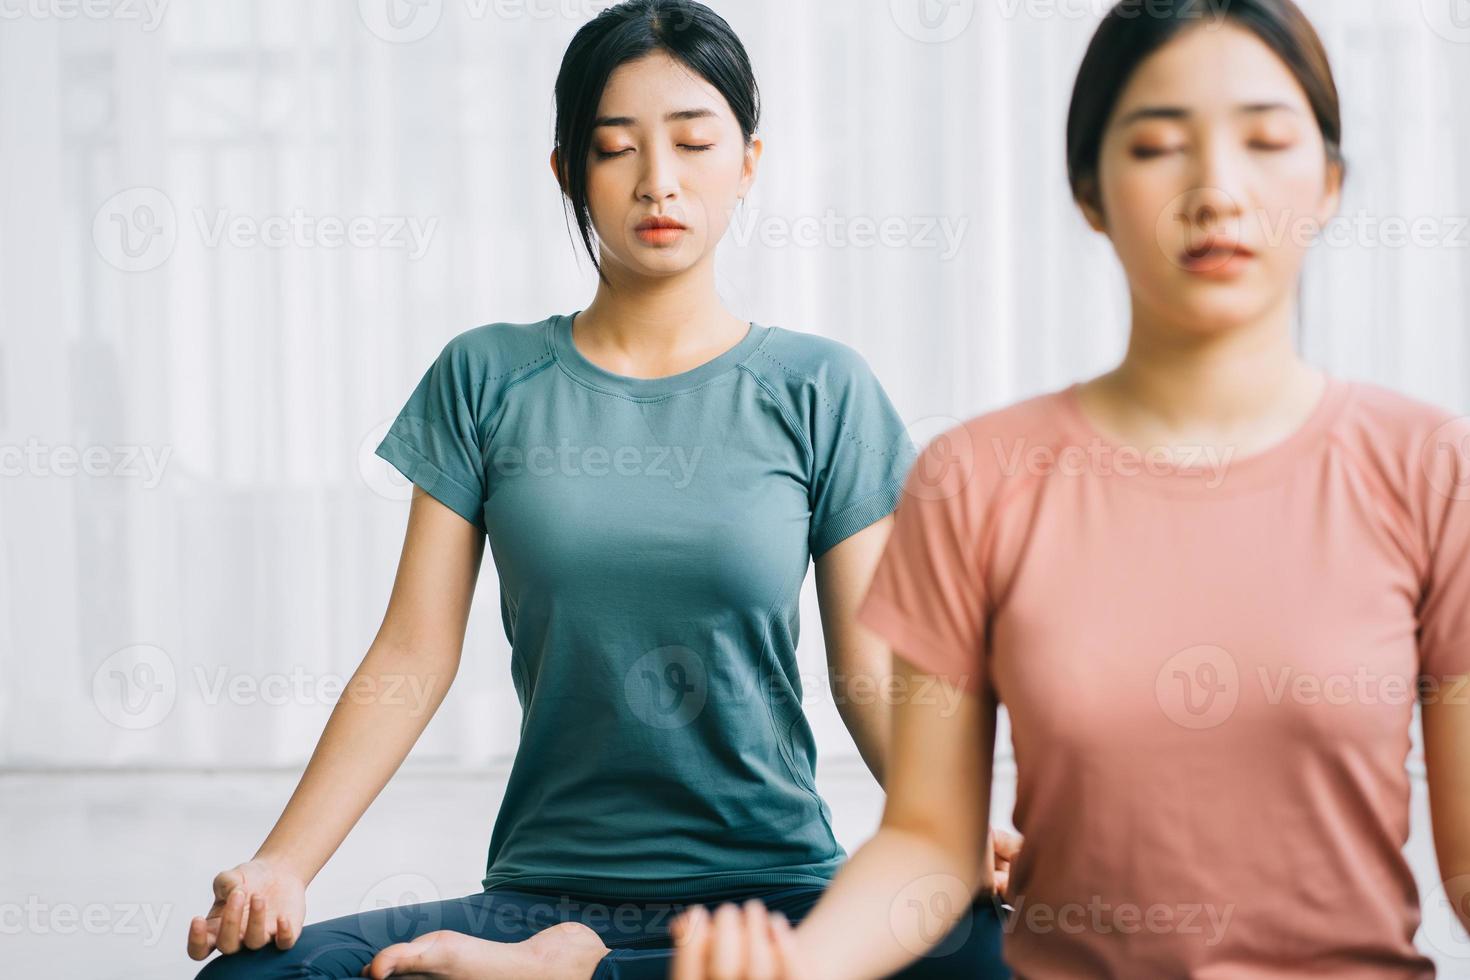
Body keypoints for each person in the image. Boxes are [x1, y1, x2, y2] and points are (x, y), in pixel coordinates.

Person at [185, 2, 1015, 977]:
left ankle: (583, 971)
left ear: (749, 161)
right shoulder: (486, 376)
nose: (659, 181)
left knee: (1011, 952)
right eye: (616, 148)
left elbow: (870, 673)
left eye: (695, 142)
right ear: (567, 171)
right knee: (252, 975)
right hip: (545, 890)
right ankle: (574, 958)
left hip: (783, 891)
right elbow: (412, 650)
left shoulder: (820, 387)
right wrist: (284, 861)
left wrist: (959, 832)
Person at [668, 0, 1470, 976]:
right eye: (1158, 146)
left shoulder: (1432, 470)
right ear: (1088, 191)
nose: (1217, 190)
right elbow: (926, 840)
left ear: (1331, 182)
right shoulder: (973, 479)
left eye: (1265, 141)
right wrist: (798, 965)